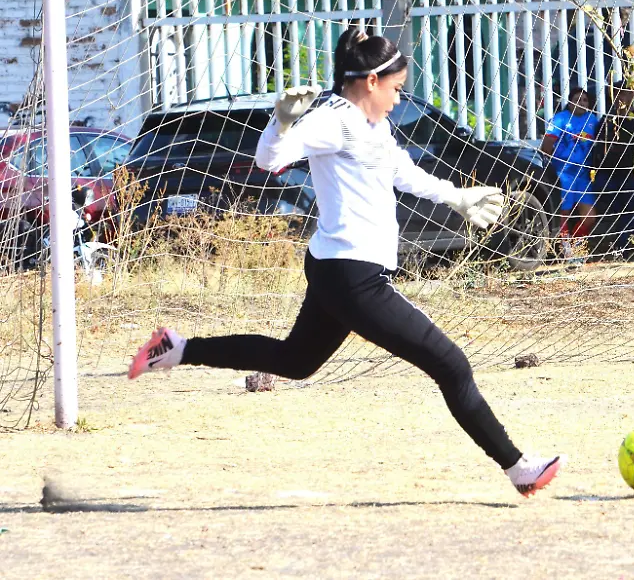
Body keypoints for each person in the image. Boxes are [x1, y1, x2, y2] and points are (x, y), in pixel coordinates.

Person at [127, 28, 564, 497]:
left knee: (294, 362)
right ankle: (518, 467)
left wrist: (456, 196)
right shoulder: (331, 120)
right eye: (396, 88)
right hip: (353, 277)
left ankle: (176, 348)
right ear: (372, 81)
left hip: (338, 268)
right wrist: (281, 122)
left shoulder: (374, 124)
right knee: (452, 365)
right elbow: (269, 160)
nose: (399, 99)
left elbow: (403, 171)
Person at [592, 82, 634, 254]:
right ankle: (621, 243)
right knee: (604, 191)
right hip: (611, 173)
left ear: (632, 96)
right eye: (617, 94)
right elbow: (598, 152)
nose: (620, 98)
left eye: (624, 94)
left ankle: (623, 246)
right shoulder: (606, 121)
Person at [540, 87, 599, 261]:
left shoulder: (592, 120)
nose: (581, 103)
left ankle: (577, 245)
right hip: (562, 174)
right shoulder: (560, 119)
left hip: (583, 175)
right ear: (570, 101)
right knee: (563, 214)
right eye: (577, 99)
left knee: (589, 216)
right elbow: (547, 145)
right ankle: (566, 252)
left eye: (585, 100)